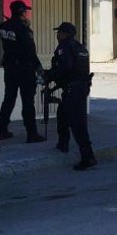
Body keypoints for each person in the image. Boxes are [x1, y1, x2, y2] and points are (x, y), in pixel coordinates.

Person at [45, 22, 97, 171]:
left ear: (64, 34)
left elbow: (64, 68)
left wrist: (49, 75)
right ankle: (63, 143)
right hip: (81, 88)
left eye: (59, 32)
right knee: (62, 114)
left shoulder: (65, 47)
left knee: (77, 124)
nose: (57, 35)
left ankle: (88, 157)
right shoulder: (80, 47)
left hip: (73, 90)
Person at [0, 0, 45, 142]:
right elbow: (30, 51)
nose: (27, 13)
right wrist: (39, 68)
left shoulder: (3, 27)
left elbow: (10, 41)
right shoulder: (24, 30)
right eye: (25, 11)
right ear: (22, 12)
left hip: (10, 68)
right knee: (28, 102)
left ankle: (1, 130)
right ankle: (32, 133)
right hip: (25, 69)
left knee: (9, 99)